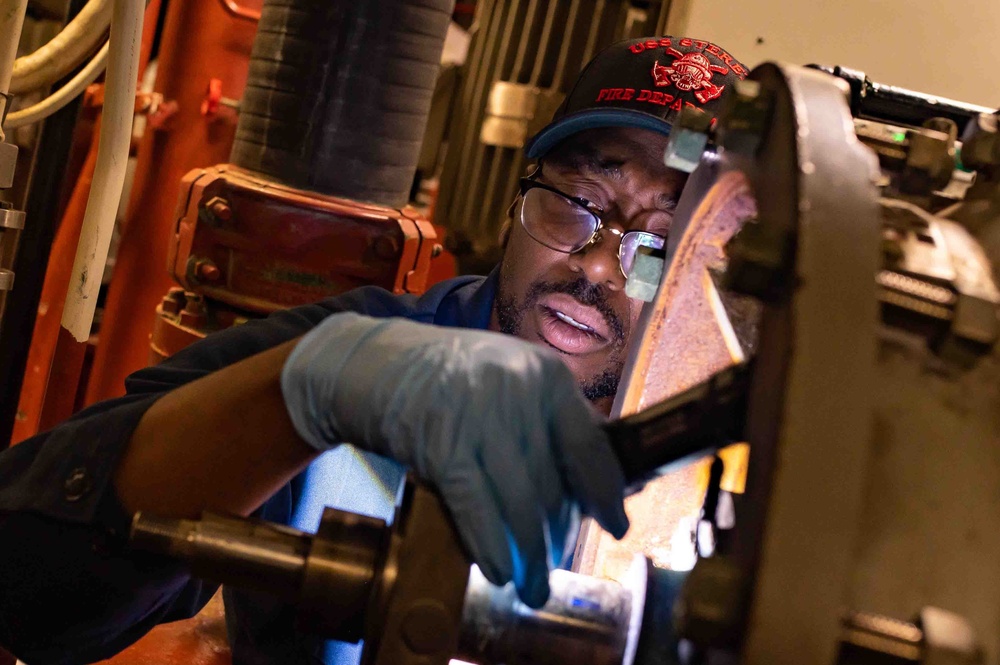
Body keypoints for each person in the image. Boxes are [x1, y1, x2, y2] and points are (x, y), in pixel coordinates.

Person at [0, 35, 747, 664]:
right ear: (517, 197)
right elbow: (29, 589)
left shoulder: (739, 473)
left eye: (662, 243)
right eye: (578, 201)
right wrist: (296, 399)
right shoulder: (363, 364)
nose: (593, 265)